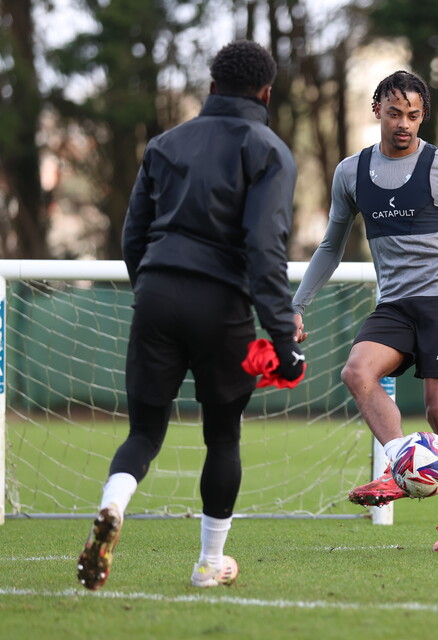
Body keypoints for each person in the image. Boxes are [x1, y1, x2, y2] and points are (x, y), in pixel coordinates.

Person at [77, 40, 305, 591]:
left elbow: (134, 235)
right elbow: (263, 248)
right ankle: (209, 565)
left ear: (211, 87)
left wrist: (153, 289)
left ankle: (113, 505)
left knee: (145, 432)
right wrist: (284, 338)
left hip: (156, 292)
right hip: (221, 304)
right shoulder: (269, 151)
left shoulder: (164, 143)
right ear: (267, 93)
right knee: (222, 437)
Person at [292, 69, 438, 553]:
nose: (403, 123)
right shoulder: (350, 172)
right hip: (395, 303)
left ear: (422, 115)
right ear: (376, 112)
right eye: (393, 113)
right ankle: (399, 464)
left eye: (412, 114)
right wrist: (295, 305)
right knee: (357, 373)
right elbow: (330, 247)